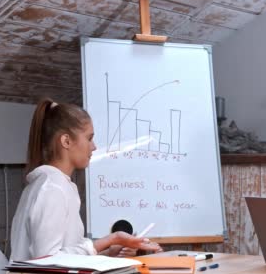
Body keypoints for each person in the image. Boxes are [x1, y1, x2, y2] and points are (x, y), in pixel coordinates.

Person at [10, 98, 161, 261]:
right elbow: (47, 260)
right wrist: (111, 239)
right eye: (89, 138)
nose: (94, 146)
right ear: (66, 141)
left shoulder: (56, 185)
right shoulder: (52, 189)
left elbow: (67, 256)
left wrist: (109, 252)